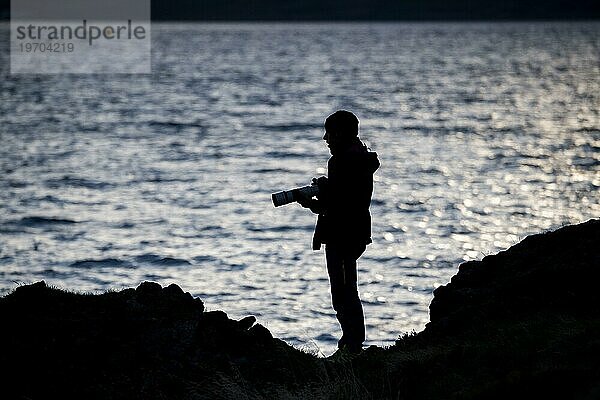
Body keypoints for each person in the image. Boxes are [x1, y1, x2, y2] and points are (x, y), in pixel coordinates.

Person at [298, 110, 380, 355]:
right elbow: (347, 194)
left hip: (342, 233)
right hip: (356, 231)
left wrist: (310, 201)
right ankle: (352, 343)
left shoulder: (342, 161)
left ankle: (352, 346)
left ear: (341, 133)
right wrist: (326, 187)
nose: (326, 139)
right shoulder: (360, 158)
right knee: (347, 289)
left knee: (343, 292)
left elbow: (336, 205)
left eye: (330, 133)